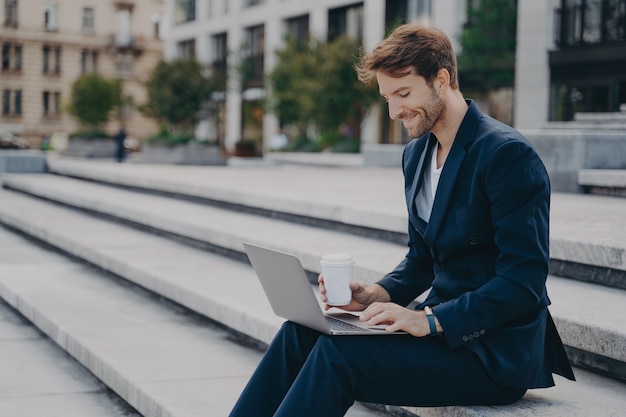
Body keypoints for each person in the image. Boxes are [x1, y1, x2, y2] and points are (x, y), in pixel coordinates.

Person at [228, 24, 575, 417]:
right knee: (300, 331)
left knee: (336, 356)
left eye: (404, 94)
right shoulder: (416, 155)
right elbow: (421, 260)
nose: (394, 112)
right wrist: (374, 294)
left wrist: (429, 319)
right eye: (387, 98)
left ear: (441, 80)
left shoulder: (506, 155)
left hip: (491, 353)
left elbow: (523, 283)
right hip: (438, 335)